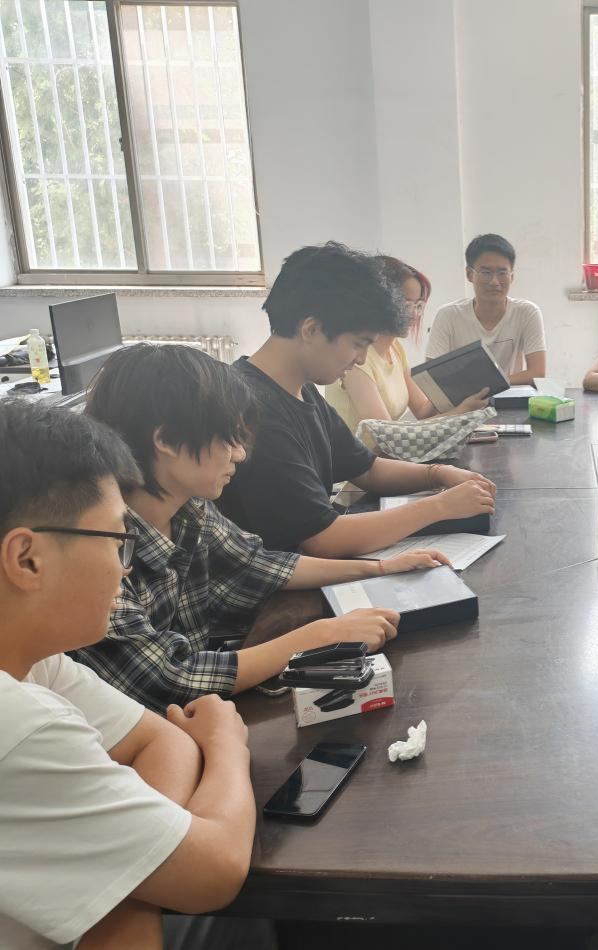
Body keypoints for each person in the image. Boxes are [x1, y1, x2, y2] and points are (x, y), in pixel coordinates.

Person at [75, 343, 456, 713]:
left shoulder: (188, 509)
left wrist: (378, 568)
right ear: (167, 439)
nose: (240, 455)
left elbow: (257, 564)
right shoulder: (98, 548)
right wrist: (321, 635)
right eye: (228, 439)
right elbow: (170, 679)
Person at [0, 401, 256, 949]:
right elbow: (216, 870)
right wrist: (226, 743)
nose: (128, 566)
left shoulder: (34, 659)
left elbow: (163, 740)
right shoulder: (20, 724)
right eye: (118, 541)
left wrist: (129, 872)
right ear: (26, 559)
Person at [216, 241, 496, 558]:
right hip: (285, 580)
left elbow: (366, 468)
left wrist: (438, 474)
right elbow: (324, 539)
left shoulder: (301, 389)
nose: (361, 359)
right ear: (311, 329)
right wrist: (440, 506)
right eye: (357, 344)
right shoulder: (255, 411)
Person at [325, 255, 490, 441]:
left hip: (390, 453)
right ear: (380, 302)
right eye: (406, 304)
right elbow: (386, 435)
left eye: (418, 305)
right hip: (364, 457)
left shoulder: (395, 348)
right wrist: (461, 411)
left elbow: (422, 410)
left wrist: (458, 383)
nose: (414, 314)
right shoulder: (357, 359)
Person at [426, 234, 547, 385]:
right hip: (464, 398)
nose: (494, 282)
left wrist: (487, 386)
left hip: (510, 396)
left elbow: (537, 373)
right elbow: (432, 376)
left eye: (502, 273)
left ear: (512, 276)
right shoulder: (448, 315)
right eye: (486, 273)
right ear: (469, 274)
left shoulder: (527, 312)